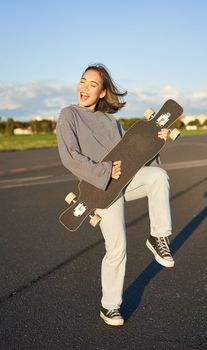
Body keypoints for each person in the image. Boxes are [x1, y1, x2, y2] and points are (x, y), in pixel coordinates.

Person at [56, 63, 174, 327]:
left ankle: (158, 236)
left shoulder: (111, 120)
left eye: (92, 84)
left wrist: (157, 143)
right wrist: (105, 171)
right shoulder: (68, 115)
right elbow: (70, 158)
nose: (84, 88)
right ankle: (109, 307)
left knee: (158, 176)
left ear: (102, 93)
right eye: (82, 81)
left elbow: (133, 158)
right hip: (99, 190)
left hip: (124, 182)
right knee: (117, 247)